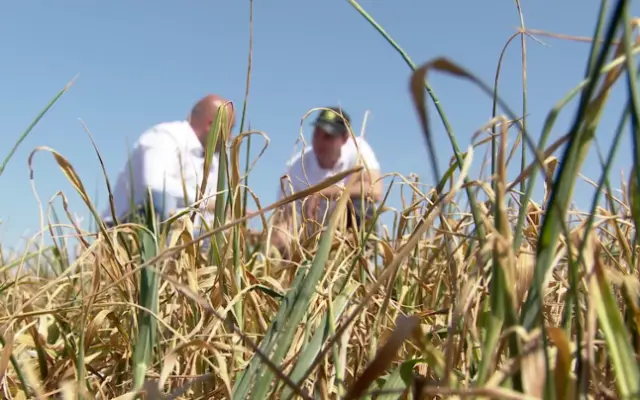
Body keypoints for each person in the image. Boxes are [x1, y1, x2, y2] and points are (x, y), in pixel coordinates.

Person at [101, 94, 235, 228]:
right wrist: (210, 202)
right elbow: (155, 185)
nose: (230, 137)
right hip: (128, 229)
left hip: (180, 234)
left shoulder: (214, 163)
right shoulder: (165, 136)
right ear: (211, 124)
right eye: (229, 129)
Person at [270, 106, 383, 258]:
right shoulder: (296, 168)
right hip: (310, 241)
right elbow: (282, 219)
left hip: (346, 232)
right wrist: (284, 245)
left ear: (344, 138)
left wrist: (322, 192)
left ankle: (362, 261)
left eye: (328, 136)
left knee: (363, 206)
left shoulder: (358, 150)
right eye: (317, 134)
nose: (320, 142)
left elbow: (375, 190)